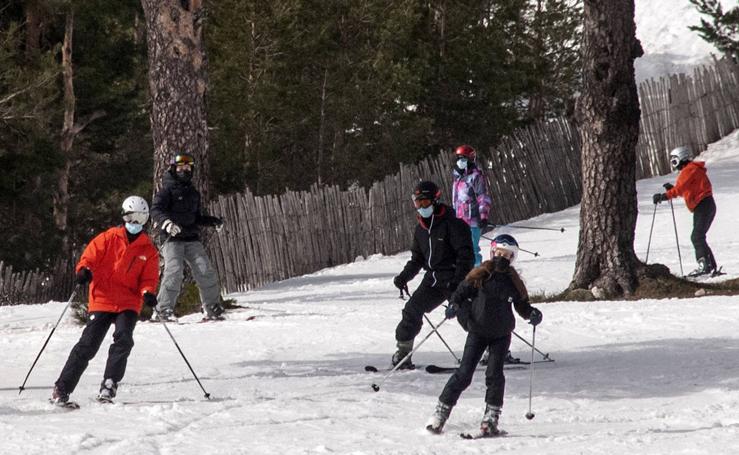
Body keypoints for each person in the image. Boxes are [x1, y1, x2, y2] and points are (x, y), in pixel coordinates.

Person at [426, 234, 542, 437]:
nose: (501, 258)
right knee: (463, 374)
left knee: (495, 375)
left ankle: (490, 419)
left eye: (506, 255)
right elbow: (460, 293)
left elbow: (521, 305)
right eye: (498, 253)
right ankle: (440, 414)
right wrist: (453, 305)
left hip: (501, 334)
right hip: (478, 331)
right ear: (492, 252)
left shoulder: (513, 281)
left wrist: (532, 313)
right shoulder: (481, 274)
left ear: (512, 258)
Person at [51, 196, 160, 406]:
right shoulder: (108, 238)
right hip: (103, 297)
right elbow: (89, 257)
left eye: (140, 218)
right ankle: (61, 388)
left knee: (124, 339)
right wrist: (84, 270)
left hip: (128, 300)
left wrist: (147, 292)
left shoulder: (148, 249)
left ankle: (109, 384)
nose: (135, 223)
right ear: (123, 216)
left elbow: (149, 278)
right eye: (131, 216)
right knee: (88, 344)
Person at [391, 180, 474, 369]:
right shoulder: (420, 229)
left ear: (435, 201)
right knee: (411, 310)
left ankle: (490, 350)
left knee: (467, 314)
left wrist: (458, 281)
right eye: (417, 203)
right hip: (433, 281)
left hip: (455, 279)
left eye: (425, 203)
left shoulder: (454, 225)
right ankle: (404, 352)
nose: (421, 207)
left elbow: (466, 256)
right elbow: (417, 259)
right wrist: (404, 277)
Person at [151, 153, 225, 322]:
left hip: (191, 237)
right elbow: (155, 210)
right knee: (174, 271)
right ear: (173, 169)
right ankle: (163, 310)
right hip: (172, 238)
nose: (183, 171)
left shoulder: (193, 193)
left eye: (187, 168)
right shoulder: (166, 190)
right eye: (180, 168)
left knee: (205, 269)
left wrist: (213, 222)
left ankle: (211, 306)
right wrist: (167, 223)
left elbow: (195, 217)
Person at [652, 145, 717, 277]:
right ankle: (710, 267)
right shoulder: (692, 170)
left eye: (674, 159)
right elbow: (687, 190)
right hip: (705, 205)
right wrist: (672, 189)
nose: (672, 163)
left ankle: (705, 267)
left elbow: (680, 189)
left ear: (681, 158)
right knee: (699, 237)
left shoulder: (689, 170)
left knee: (697, 237)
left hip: (703, 206)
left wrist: (664, 196)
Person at [452, 145, 492, 267]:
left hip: (473, 221)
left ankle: (477, 276)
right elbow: (456, 200)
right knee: (460, 251)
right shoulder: (457, 178)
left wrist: (483, 216)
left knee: (472, 250)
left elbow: (482, 197)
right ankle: (465, 277)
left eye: (463, 158)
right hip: (460, 221)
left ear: (470, 159)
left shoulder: (476, 177)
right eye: (458, 158)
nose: (460, 161)